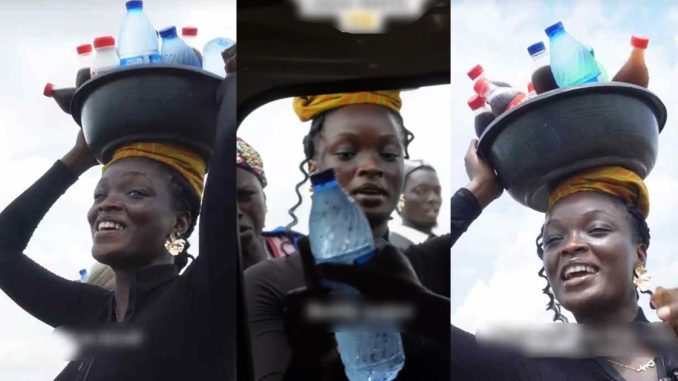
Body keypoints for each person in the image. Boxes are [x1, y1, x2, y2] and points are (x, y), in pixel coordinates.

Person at [244, 90, 460, 381]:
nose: (371, 167)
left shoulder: (436, 261)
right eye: (346, 153)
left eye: (389, 154)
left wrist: (421, 307)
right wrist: (310, 361)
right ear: (314, 169)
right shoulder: (266, 284)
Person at [0, 130, 231, 380]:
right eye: (100, 194)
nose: (106, 204)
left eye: (136, 193)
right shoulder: (91, 312)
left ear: (180, 222)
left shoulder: (198, 301)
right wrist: (79, 158)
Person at [237, 137, 302, 269]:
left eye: (245, 196)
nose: (236, 212)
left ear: (264, 200)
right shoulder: (202, 277)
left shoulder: (300, 249)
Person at [389, 160, 442, 249]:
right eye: (420, 191)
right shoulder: (388, 251)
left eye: (437, 191)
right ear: (399, 199)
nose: (433, 198)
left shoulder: (443, 248)